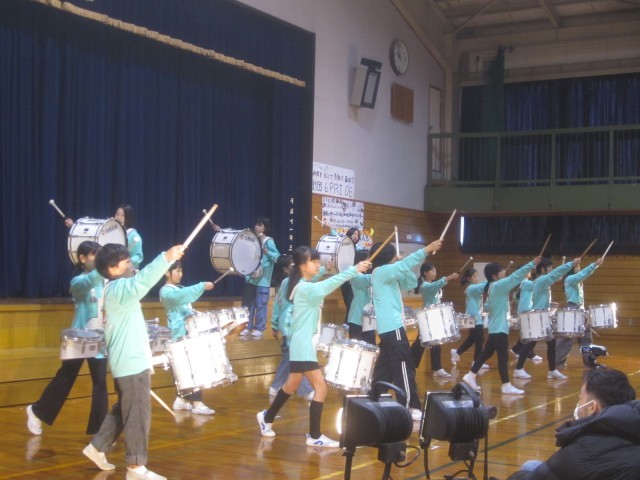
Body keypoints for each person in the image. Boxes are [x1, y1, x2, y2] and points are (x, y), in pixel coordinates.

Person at [82, 242, 184, 480]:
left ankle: (97, 447)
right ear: (113, 268)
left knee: (126, 408)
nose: (132, 266)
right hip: (130, 363)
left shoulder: (115, 289)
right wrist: (166, 258)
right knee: (138, 413)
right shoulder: (119, 289)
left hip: (127, 362)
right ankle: (136, 468)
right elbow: (142, 281)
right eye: (127, 262)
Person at [256, 246, 371, 447]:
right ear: (302, 266)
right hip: (301, 345)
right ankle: (315, 436)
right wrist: (354, 270)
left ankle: (267, 417)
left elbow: (325, 282)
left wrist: (352, 270)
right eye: (314, 262)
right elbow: (330, 284)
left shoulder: (303, 285)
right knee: (320, 388)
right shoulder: (304, 289)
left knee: (291, 385)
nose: (318, 265)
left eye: (318, 261)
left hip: (300, 343)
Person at [26, 241, 108, 436]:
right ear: (82, 258)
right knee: (66, 376)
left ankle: (99, 430)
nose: (97, 258)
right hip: (79, 337)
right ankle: (37, 411)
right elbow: (88, 283)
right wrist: (104, 266)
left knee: (100, 381)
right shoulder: (77, 281)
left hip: (99, 338)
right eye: (94, 254)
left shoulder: (104, 281)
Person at [506, 367, 639, 480]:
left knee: (530, 467)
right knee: (533, 465)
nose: (578, 403)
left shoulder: (581, 452)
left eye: (580, 398)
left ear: (592, 407)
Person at [367, 240, 443, 421]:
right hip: (393, 328)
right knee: (404, 367)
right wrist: (426, 249)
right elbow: (405, 264)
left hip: (389, 328)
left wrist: (401, 265)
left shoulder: (387, 273)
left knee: (384, 368)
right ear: (389, 257)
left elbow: (410, 283)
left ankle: (373, 398)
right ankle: (410, 405)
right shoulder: (382, 271)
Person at [462, 259, 540, 395]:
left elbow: (487, 306)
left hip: (495, 327)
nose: (504, 272)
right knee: (503, 358)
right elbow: (515, 277)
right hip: (499, 328)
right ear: (494, 275)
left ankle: (470, 376)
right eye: (502, 270)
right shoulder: (498, 286)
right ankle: (506, 385)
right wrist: (532, 264)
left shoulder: (493, 287)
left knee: (486, 354)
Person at [159, 260, 215, 415]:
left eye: (181, 271)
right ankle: (197, 404)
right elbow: (182, 296)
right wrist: (201, 286)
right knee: (193, 369)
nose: (180, 274)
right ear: (167, 272)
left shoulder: (178, 289)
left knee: (185, 370)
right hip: (179, 335)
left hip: (186, 333)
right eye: (177, 271)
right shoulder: (166, 291)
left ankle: (181, 400)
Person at [516, 257, 580, 380]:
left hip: (542, 314)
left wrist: (549, 304)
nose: (551, 269)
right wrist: (571, 264)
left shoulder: (542, 281)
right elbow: (556, 273)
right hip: (538, 315)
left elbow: (540, 297)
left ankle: (552, 370)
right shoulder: (541, 280)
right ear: (543, 269)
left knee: (551, 343)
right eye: (550, 267)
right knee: (530, 344)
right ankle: (519, 369)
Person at [268, 254, 314, 399]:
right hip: (292, 327)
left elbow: (277, 304)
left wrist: (275, 323)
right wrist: (274, 323)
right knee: (297, 358)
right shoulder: (294, 283)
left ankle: (276, 386)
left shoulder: (291, 282)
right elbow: (278, 304)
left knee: (290, 358)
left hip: (291, 326)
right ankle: (305, 391)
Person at [410, 263, 459, 378]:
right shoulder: (425, 286)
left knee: (435, 343)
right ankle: (409, 364)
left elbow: (436, 286)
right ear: (425, 273)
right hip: (427, 317)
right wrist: (449, 277)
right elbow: (436, 286)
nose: (435, 273)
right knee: (420, 343)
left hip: (434, 316)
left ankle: (437, 368)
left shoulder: (430, 285)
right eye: (432, 271)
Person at [555, 258, 604, 368]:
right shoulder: (569, 279)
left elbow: (582, 276)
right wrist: (594, 264)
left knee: (586, 338)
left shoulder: (577, 281)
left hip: (580, 309)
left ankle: (589, 361)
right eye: (577, 266)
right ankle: (557, 362)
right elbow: (582, 275)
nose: (579, 267)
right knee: (567, 338)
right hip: (572, 309)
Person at [240, 218, 280, 337]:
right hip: (251, 278)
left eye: (260, 225)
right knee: (248, 305)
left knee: (261, 305)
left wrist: (267, 252)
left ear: (265, 228)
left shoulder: (268, 241)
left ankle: (259, 328)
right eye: (256, 225)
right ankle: (247, 326)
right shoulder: (252, 239)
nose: (256, 227)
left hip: (263, 280)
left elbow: (277, 257)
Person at [450, 268, 488, 369]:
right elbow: (482, 286)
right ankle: (476, 362)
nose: (477, 278)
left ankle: (457, 352)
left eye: (477, 276)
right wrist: (491, 280)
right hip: (473, 317)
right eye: (475, 276)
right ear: (469, 278)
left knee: (473, 339)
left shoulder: (474, 288)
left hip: (475, 316)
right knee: (479, 339)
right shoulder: (471, 288)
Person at [510, 269, 543, 365]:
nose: (529, 271)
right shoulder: (525, 283)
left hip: (524, 310)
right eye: (527, 270)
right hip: (526, 311)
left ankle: (517, 350)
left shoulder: (521, 283)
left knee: (527, 334)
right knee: (531, 334)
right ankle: (526, 354)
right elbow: (537, 284)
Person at [346, 250, 375, 345]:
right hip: (357, 319)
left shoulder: (366, 275)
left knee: (371, 348)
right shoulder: (356, 276)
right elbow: (369, 279)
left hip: (368, 319)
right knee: (357, 348)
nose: (370, 264)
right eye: (367, 261)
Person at [115, 204, 144, 269]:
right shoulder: (112, 233)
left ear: (128, 218)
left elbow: (138, 256)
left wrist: (127, 261)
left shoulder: (133, 235)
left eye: (122, 215)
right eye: (117, 214)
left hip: (127, 270)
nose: (119, 217)